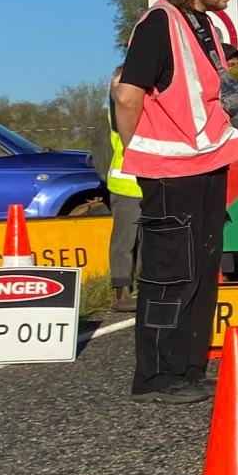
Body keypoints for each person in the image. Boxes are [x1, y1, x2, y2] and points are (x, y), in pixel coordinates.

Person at [112, 0, 238, 402]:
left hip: (206, 161)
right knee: (169, 271)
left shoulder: (204, 25)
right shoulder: (158, 23)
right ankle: (157, 375)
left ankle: (189, 367)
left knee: (201, 267)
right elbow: (127, 94)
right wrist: (140, 150)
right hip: (170, 170)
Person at [104, 68, 141, 315]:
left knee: (147, 242)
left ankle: (144, 287)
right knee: (125, 241)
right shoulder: (119, 112)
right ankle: (121, 292)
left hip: (147, 183)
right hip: (126, 185)